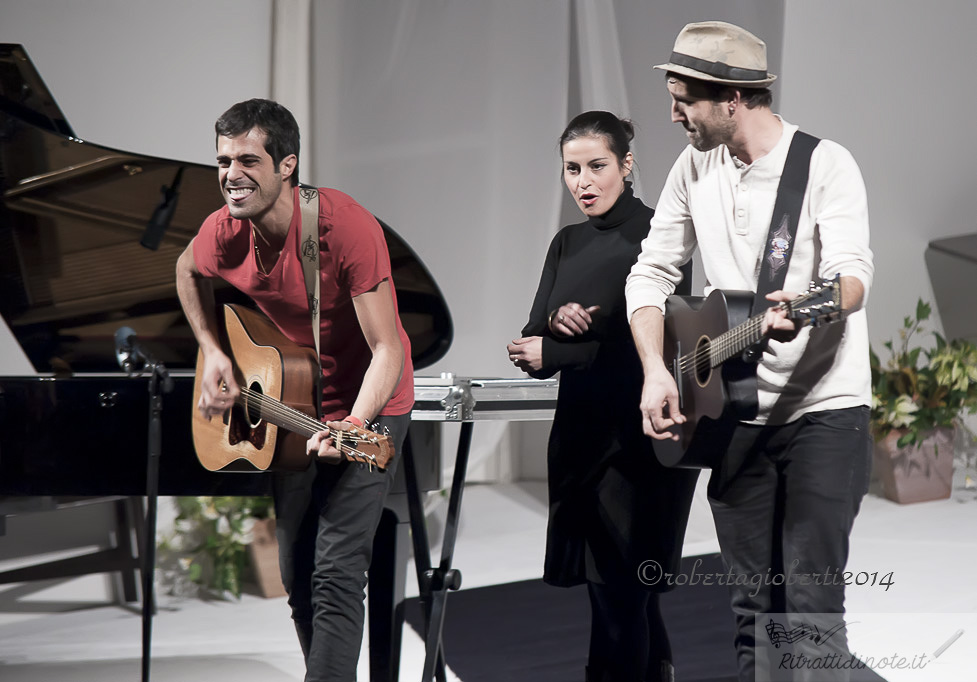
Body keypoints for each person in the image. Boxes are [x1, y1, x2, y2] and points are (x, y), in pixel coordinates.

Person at [625, 22, 874, 682]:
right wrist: (655, 370)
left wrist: (807, 309)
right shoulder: (694, 165)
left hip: (824, 412)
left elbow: (851, 277)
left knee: (810, 610)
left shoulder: (823, 165)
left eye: (683, 98)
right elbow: (650, 273)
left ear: (732, 96)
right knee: (752, 611)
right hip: (733, 415)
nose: (672, 112)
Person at [175, 98, 414, 682]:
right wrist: (211, 352)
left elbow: (389, 349)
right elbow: (186, 270)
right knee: (298, 577)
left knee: (335, 573)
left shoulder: (343, 226)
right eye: (223, 160)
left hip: (370, 407)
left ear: (287, 165)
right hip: (290, 405)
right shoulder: (224, 231)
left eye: (248, 160)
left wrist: (355, 423)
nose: (231, 175)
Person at [507, 111, 698, 682]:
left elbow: (660, 348)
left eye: (597, 167)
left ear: (626, 165)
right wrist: (556, 325)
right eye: (572, 169)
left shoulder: (655, 235)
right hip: (581, 439)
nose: (583, 182)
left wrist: (561, 351)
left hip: (641, 439)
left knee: (622, 595)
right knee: (617, 595)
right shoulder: (566, 242)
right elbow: (529, 345)